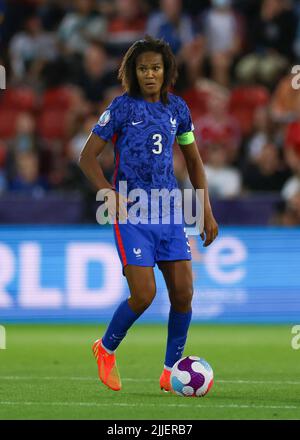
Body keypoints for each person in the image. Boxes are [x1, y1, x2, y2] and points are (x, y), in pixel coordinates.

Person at [79, 36, 218, 392]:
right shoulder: (122, 108)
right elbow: (87, 158)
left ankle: (171, 370)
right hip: (131, 213)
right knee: (143, 295)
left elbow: (193, 160)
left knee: (184, 293)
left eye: (155, 67)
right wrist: (107, 193)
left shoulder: (178, 110)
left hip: (170, 213)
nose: (150, 74)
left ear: (166, 70)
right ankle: (105, 348)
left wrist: (205, 209)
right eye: (143, 69)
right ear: (133, 72)